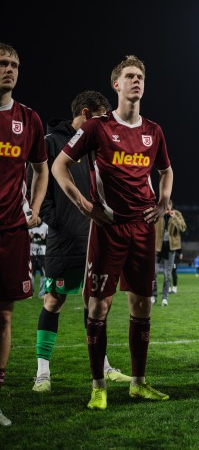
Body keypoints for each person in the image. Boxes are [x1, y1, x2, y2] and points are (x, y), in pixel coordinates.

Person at [52, 54, 173, 410]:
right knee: (99, 307)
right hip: (109, 228)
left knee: (142, 306)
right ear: (116, 85)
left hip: (142, 229)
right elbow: (60, 165)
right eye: (130, 77)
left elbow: (166, 171)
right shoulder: (97, 128)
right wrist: (82, 203)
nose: (137, 82)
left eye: (141, 77)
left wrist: (164, 200)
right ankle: (98, 386)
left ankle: (138, 383)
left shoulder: (154, 131)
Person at [32, 90, 132, 393]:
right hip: (66, 240)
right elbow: (38, 189)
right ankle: (42, 373)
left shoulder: (98, 146)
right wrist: (61, 222)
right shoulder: (51, 143)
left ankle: (103, 367)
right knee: (54, 300)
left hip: (98, 238)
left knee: (97, 304)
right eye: (102, 118)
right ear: (86, 115)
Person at [0, 43, 49, 427]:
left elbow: (41, 168)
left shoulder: (28, 119)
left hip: (12, 231)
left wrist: (32, 206)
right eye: (2, 63)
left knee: (4, 315)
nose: (9, 69)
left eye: (14, 64)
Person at [153, 199, 186, 306]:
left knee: (167, 274)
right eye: (165, 206)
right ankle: (153, 296)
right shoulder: (158, 214)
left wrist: (174, 217)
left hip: (170, 248)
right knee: (153, 273)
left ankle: (165, 298)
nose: (167, 209)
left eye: (168, 206)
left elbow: (183, 228)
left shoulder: (177, 214)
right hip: (158, 247)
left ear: (171, 206)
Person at [29, 222, 48, 298]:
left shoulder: (45, 226)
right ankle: (30, 293)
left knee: (43, 274)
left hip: (42, 254)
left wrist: (44, 238)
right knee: (31, 274)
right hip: (32, 254)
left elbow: (50, 240)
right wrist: (30, 238)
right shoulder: (30, 226)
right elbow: (25, 240)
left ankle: (42, 294)